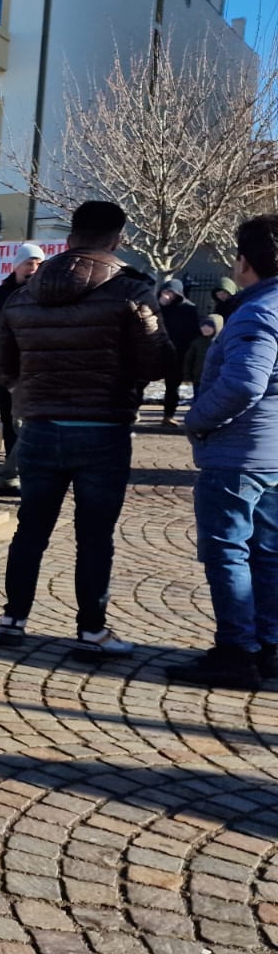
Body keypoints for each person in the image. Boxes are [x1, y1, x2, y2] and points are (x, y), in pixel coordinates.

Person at [0, 199, 172, 656]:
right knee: (94, 535)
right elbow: (156, 361)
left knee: (30, 527)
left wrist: (34, 393)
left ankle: (13, 617)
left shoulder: (23, 294)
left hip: (39, 427)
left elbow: (4, 369)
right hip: (102, 427)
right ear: (116, 239)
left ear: (69, 239)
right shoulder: (131, 291)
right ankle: (91, 628)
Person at [170, 215, 278, 687]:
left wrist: (198, 420)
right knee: (268, 553)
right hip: (270, 453)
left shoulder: (257, 311)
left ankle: (236, 651)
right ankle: (269, 646)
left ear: (244, 261)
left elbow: (242, 383)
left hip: (240, 454)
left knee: (228, 551)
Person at [0, 243, 46, 496]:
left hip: (33, 369)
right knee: (9, 422)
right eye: (29, 263)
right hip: (2, 369)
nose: (34, 268)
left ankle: (17, 472)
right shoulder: (0, 295)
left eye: (39, 264)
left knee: (26, 423)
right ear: (17, 265)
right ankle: (11, 465)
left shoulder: (45, 294)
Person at [157, 277, 200, 426]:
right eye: (165, 291)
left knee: (172, 386)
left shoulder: (188, 308)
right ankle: (134, 411)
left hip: (177, 352)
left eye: (170, 292)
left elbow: (193, 332)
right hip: (155, 350)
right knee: (140, 382)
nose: (167, 295)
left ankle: (168, 415)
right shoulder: (155, 306)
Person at [183, 313, 222, 394]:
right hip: (198, 378)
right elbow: (189, 360)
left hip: (216, 379)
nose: (205, 329)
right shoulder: (197, 342)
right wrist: (187, 375)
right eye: (203, 326)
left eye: (209, 326)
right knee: (198, 399)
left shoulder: (222, 344)